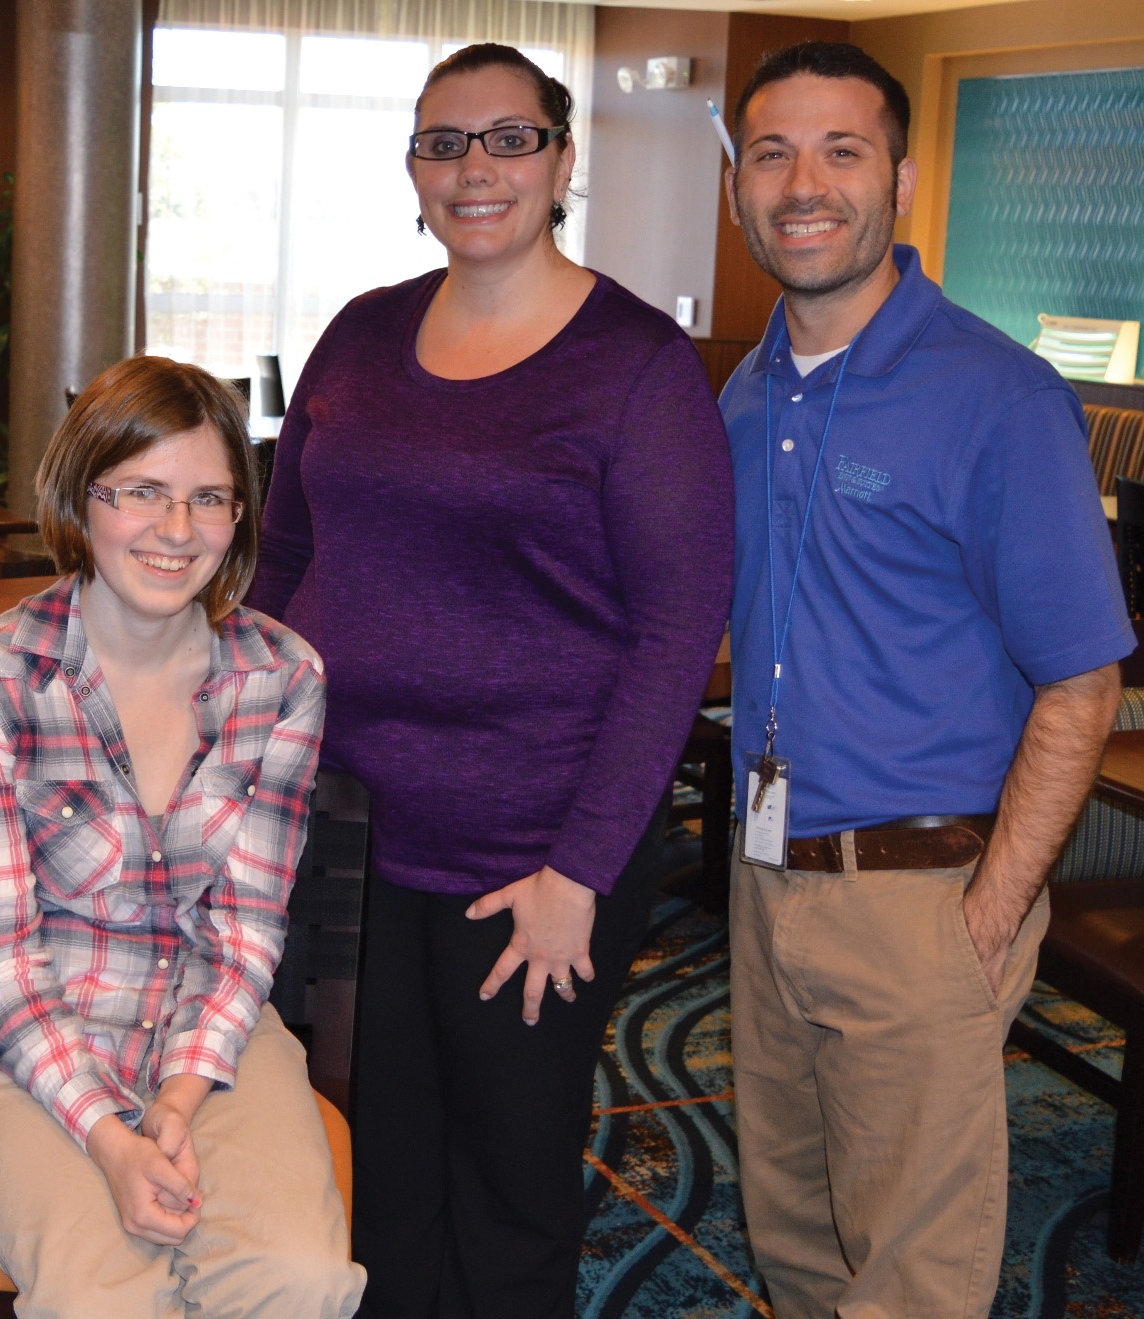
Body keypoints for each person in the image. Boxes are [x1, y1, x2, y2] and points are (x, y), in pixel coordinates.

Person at [248, 42, 734, 1318]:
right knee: (378, 1158)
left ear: (563, 159)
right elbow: (288, 555)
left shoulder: (635, 365)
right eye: (444, 142)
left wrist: (579, 872)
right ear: (413, 169)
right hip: (343, 832)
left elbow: (678, 628)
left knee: (509, 1176)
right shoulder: (359, 334)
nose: (476, 168)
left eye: (509, 138)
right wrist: (227, 741)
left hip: (529, 856)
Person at [719, 41, 1133, 1317]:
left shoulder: (997, 395)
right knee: (789, 1218)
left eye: (843, 149)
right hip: (762, 871)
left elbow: (1083, 679)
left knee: (909, 1269)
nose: (806, 183)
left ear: (900, 178)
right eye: (775, 153)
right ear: (738, 187)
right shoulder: (744, 390)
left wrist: (991, 910)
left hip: (922, 891)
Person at [0, 354, 366, 1318]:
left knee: (300, 1276)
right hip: (14, 1035)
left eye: (209, 497)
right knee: (104, 1295)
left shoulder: (282, 675)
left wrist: (179, 1096)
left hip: (206, 1027)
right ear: (82, 499)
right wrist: (111, 1137)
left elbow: (246, 930)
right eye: (142, 493)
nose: (176, 530)